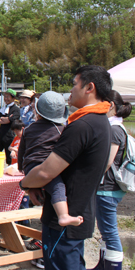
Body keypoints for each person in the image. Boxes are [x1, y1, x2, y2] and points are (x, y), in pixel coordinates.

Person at [20, 65, 113, 270]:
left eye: (74, 83)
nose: (70, 91)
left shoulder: (82, 126)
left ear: (89, 87)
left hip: (64, 219)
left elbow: (45, 171)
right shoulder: (102, 122)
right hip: (81, 211)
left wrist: (24, 183)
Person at [87, 90, 132, 270]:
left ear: (111, 105)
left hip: (107, 187)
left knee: (109, 231)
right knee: (105, 231)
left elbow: (107, 161)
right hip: (106, 188)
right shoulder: (115, 127)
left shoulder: (114, 130)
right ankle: (103, 267)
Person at [18, 92, 82, 229]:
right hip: (47, 166)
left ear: (37, 111)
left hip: (30, 166)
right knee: (57, 187)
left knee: (43, 187)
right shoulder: (60, 129)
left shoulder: (28, 129)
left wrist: (20, 167)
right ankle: (63, 215)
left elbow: (22, 150)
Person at [0, 88, 20, 165]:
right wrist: (6, 119)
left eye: (8, 97)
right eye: (5, 96)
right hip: (0, 133)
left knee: (10, 157)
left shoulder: (16, 109)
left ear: (13, 98)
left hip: (10, 134)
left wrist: (6, 119)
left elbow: (9, 120)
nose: (6, 98)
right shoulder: (3, 108)